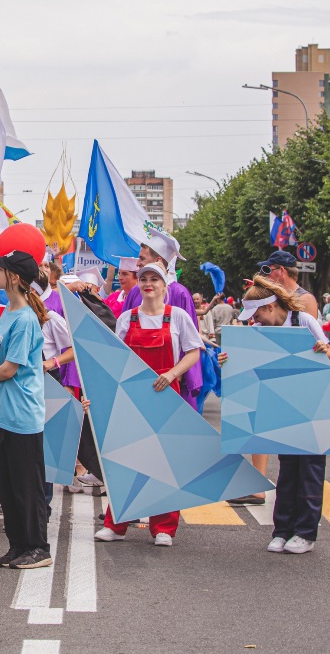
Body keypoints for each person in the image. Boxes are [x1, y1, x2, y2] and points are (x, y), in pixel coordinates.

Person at [95, 261, 204, 546]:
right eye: (144, 279)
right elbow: (115, 357)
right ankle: (115, 524)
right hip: (132, 398)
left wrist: (171, 374)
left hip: (168, 396)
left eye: (154, 279)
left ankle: (164, 528)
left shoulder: (178, 316)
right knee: (126, 459)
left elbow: (193, 352)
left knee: (166, 462)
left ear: (165, 286)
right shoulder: (127, 318)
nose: (148, 284)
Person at [234, 275, 330, 554]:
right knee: (288, 469)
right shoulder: (262, 331)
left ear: (268, 308)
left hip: (312, 407)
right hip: (284, 405)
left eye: (256, 315)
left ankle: (305, 533)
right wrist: (229, 360)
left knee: (310, 471)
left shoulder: (303, 321)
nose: (253, 321)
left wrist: (322, 350)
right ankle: (282, 530)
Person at [0, 250, 52, 569]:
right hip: (1, 414)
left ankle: (38, 548)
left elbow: (10, 367)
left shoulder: (27, 319)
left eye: (0, 268)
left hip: (20, 416)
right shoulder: (9, 311)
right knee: (7, 488)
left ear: (15, 278)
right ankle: (17, 545)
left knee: (26, 488)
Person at [120, 229, 203, 409]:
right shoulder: (131, 304)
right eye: (144, 279)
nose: (138, 263)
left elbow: (192, 347)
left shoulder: (180, 296)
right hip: (134, 390)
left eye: (142, 258)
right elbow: (118, 350)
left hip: (170, 388)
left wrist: (177, 375)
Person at [256, 250, 319, 318]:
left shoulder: (305, 299)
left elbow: (309, 328)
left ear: (281, 270)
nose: (266, 275)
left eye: (268, 270)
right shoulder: (273, 297)